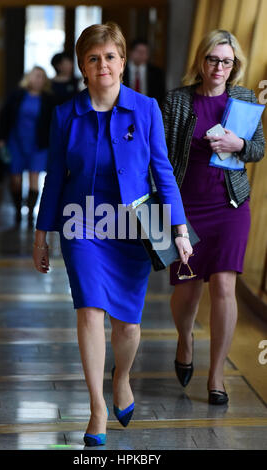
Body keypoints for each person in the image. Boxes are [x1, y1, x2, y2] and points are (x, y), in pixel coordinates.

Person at [33, 22, 192, 446]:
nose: (102, 64)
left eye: (109, 56)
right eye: (93, 58)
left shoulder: (146, 109)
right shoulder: (65, 114)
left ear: (122, 62)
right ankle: (97, 408)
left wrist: (179, 228)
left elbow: (163, 172)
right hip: (81, 221)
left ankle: (122, 377)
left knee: (128, 326)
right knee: (89, 310)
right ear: (83, 67)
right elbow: (54, 179)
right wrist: (41, 234)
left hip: (132, 225)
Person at [162, 30, 265, 405]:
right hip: (186, 208)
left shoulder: (244, 99)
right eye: (212, 60)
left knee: (224, 285)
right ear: (200, 62)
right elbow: (163, 156)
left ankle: (217, 375)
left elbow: (257, 149)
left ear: (234, 65)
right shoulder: (177, 101)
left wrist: (239, 144)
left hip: (230, 205)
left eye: (226, 61)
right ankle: (185, 338)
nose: (219, 67)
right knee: (186, 291)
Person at [0, 66, 55, 225]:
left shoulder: (49, 99)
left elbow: (53, 123)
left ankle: (29, 214)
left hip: (38, 144)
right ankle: (17, 210)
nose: (38, 80)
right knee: (15, 179)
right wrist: (0, 138)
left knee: (35, 178)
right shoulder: (16, 96)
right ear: (28, 78)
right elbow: (4, 117)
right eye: (36, 76)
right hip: (16, 142)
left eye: (42, 77)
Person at [123, 39, 165, 105]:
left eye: (145, 52)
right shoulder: (121, 69)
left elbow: (161, 96)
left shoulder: (156, 72)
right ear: (130, 52)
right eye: (138, 51)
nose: (141, 54)